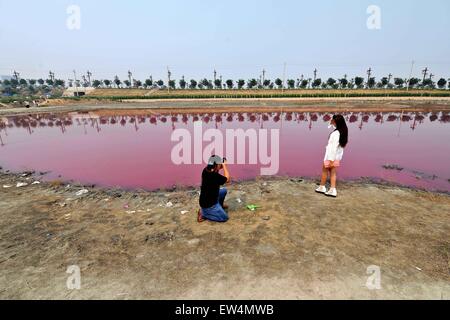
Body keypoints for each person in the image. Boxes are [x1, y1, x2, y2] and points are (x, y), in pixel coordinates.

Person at [315, 114, 348, 198]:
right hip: (337, 157)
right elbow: (331, 126)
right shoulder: (343, 131)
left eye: (332, 120)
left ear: (335, 122)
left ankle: (323, 187)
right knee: (333, 173)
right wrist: (331, 123)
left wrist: (330, 159)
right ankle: (331, 189)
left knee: (324, 171)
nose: (331, 120)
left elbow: (333, 148)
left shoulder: (336, 134)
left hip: (331, 157)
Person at [198, 155, 231, 223]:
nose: (220, 165)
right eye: (219, 164)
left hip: (208, 198)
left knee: (223, 191)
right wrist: (225, 166)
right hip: (209, 205)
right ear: (216, 166)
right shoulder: (214, 175)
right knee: (224, 218)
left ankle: (220, 206)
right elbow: (227, 179)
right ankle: (203, 213)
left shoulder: (206, 170)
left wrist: (222, 164)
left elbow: (218, 168)